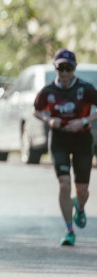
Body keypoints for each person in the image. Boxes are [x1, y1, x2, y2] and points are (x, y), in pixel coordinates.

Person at [33, 49, 97, 246]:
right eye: (61, 68)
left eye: (69, 68)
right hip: (59, 139)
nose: (65, 73)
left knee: (82, 190)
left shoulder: (85, 89)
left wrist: (83, 121)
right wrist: (49, 120)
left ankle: (80, 206)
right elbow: (36, 110)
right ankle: (69, 230)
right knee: (64, 184)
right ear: (55, 68)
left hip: (82, 139)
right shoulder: (48, 91)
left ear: (74, 69)